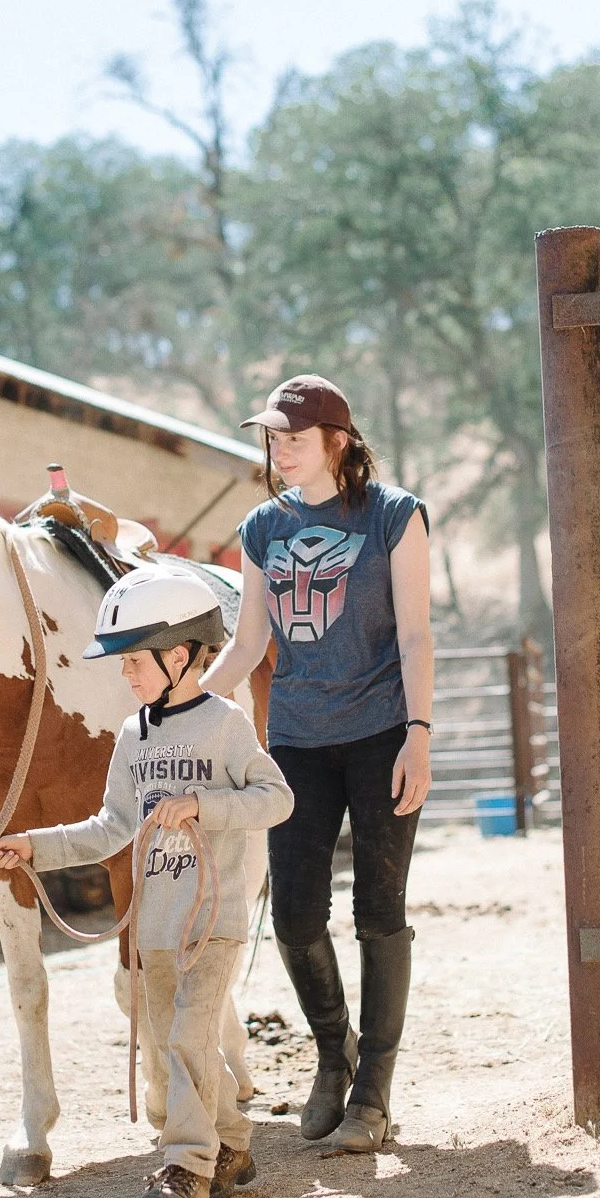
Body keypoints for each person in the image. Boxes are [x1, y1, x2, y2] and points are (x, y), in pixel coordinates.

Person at [0, 566, 294, 1198]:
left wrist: (204, 806)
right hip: (153, 928)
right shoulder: (132, 737)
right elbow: (111, 828)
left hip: (213, 920)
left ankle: (185, 1169)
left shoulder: (227, 725)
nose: (124, 674)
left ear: (179, 655)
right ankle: (233, 1140)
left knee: (187, 1036)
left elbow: (277, 799)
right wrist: (32, 846)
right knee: (176, 1041)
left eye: (133, 660)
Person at [202, 374, 433, 1154]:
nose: (279, 451)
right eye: (272, 438)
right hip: (296, 740)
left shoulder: (394, 515)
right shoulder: (262, 527)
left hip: (381, 735)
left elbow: (416, 636)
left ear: (338, 439)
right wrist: (178, 712)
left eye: (293, 438)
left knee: (379, 910)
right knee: (297, 916)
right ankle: (333, 1057)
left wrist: (420, 733)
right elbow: (248, 643)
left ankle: (374, 1090)